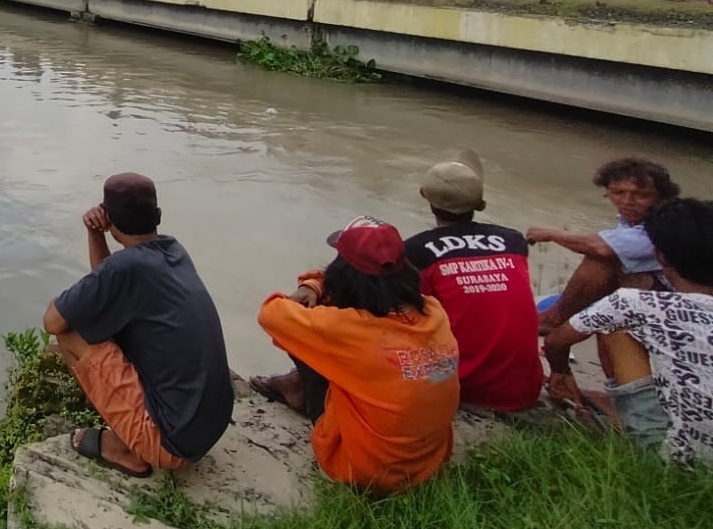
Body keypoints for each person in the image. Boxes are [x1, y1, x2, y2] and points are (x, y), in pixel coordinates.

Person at [252, 217, 460, 493]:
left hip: (361, 469)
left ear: (343, 273)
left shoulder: (348, 329)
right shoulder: (434, 312)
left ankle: (301, 393)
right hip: (430, 462)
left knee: (307, 334)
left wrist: (314, 284)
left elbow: (272, 313)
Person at [45, 174, 234, 477]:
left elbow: (53, 321)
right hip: (210, 426)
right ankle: (135, 427)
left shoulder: (126, 267)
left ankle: (125, 448)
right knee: (107, 319)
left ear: (109, 218)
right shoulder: (173, 250)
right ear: (157, 216)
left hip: (170, 444)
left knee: (69, 333)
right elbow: (108, 288)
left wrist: (96, 233)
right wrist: (96, 236)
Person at [542, 198, 713, 464]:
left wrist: (561, 371)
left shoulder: (635, 303)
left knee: (616, 328)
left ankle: (621, 411)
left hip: (675, 460)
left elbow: (555, 341)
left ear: (661, 256)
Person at [402, 151, 542, 412]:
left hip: (463, 387)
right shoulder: (514, 241)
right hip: (526, 389)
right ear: (480, 205)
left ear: (424, 195)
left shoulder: (415, 250)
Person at [527, 158, 679, 335]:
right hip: (659, 292)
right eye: (618, 192)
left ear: (660, 196)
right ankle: (558, 318)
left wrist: (551, 234)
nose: (627, 201)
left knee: (601, 259)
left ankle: (554, 319)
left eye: (642, 195)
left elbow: (602, 248)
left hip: (679, 301)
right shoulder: (635, 218)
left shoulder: (664, 223)